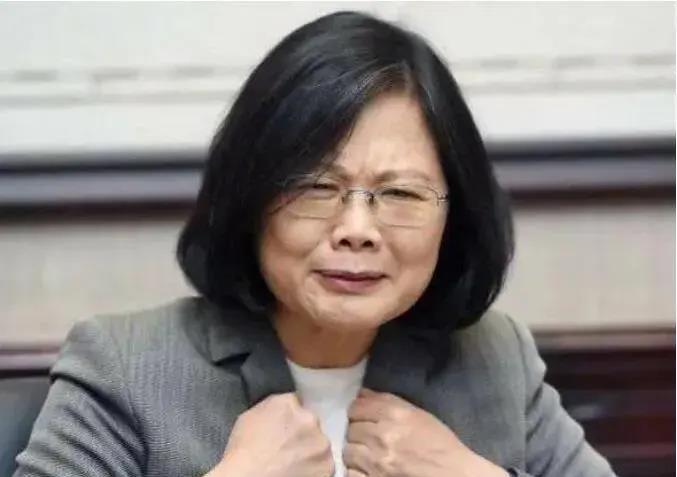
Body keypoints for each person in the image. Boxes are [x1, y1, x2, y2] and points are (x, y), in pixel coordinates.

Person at [13, 10, 617, 477]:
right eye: (316, 187)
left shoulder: (495, 360)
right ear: (251, 199)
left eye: (400, 194)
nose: (358, 229)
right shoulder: (125, 366)